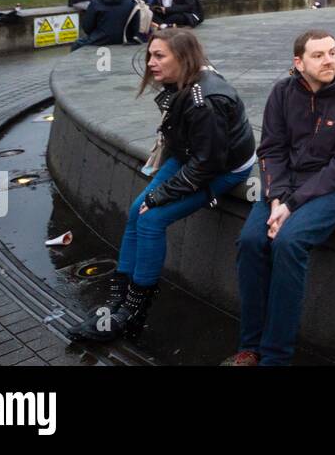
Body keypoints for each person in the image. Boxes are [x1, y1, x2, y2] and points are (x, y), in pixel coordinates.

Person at [70, 30, 256, 343]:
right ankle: (118, 299)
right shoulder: (182, 82)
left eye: (159, 56)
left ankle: (133, 311)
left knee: (152, 218)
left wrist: (160, 195)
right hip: (189, 157)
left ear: (183, 59)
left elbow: (208, 163)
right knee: (135, 212)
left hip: (221, 168)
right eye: (150, 55)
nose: (150, 63)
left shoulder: (205, 101)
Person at [226, 30, 335, 366]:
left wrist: (291, 206)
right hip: (285, 185)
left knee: (288, 243)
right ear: (299, 62)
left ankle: (276, 356)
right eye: (318, 55)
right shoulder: (282, 91)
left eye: (332, 52)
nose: (328, 61)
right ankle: (250, 346)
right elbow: (271, 150)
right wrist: (277, 199)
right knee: (250, 240)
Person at [72, 0, 144, 51]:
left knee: (77, 44)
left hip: (99, 39)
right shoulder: (131, 1)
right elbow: (136, 25)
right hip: (125, 39)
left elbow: (87, 26)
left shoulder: (97, 1)